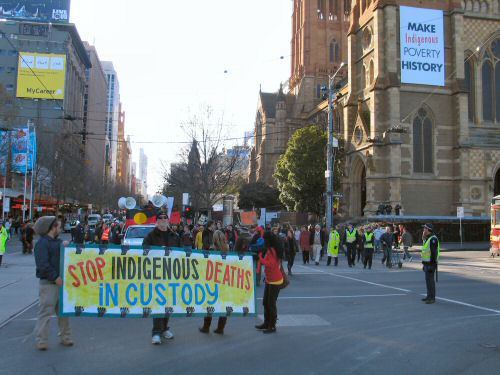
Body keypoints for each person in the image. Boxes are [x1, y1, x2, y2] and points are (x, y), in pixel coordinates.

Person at [33, 216, 72, 350]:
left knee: (63, 313)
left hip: (58, 282)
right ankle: (41, 340)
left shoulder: (56, 242)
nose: (60, 229)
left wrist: (66, 245)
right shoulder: (42, 244)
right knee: (45, 313)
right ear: (52, 228)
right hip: (49, 283)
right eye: (58, 227)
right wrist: (55, 277)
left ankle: (65, 337)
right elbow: (42, 265)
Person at [143, 213, 180, 345]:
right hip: (156, 274)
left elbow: (181, 254)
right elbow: (144, 252)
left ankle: (165, 328)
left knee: (168, 303)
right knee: (158, 303)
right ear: (157, 221)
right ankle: (156, 333)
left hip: (171, 274)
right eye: (161, 218)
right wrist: (157, 251)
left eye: (165, 218)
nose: (163, 220)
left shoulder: (174, 236)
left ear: (168, 220)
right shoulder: (150, 236)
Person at [199, 230, 229, 335]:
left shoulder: (212, 250)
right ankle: (220, 328)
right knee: (224, 304)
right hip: (224, 280)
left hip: (212, 279)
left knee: (210, 303)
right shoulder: (227, 249)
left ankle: (206, 327)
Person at [255, 231, 284, 334]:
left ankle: (272, 326)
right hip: (270, 279)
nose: (263, 241)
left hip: (275, 281)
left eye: (264, 239)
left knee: (271, 304)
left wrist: (260, 259)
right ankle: (267, 323)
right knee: (265, 303)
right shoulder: (270, 249)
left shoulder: (272, 250)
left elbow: (270, 264)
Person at [421, 224, 440, 304]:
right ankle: (429, 296)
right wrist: (424, 264)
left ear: (428, 230)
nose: (423, 230)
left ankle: (432, 298)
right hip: (426, 263)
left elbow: (433, 253)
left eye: (424, 229)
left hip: (430, 264)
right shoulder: (428, 238)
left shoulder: (433, 239)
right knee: (428, 281)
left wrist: (432, 266)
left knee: (430, 281)